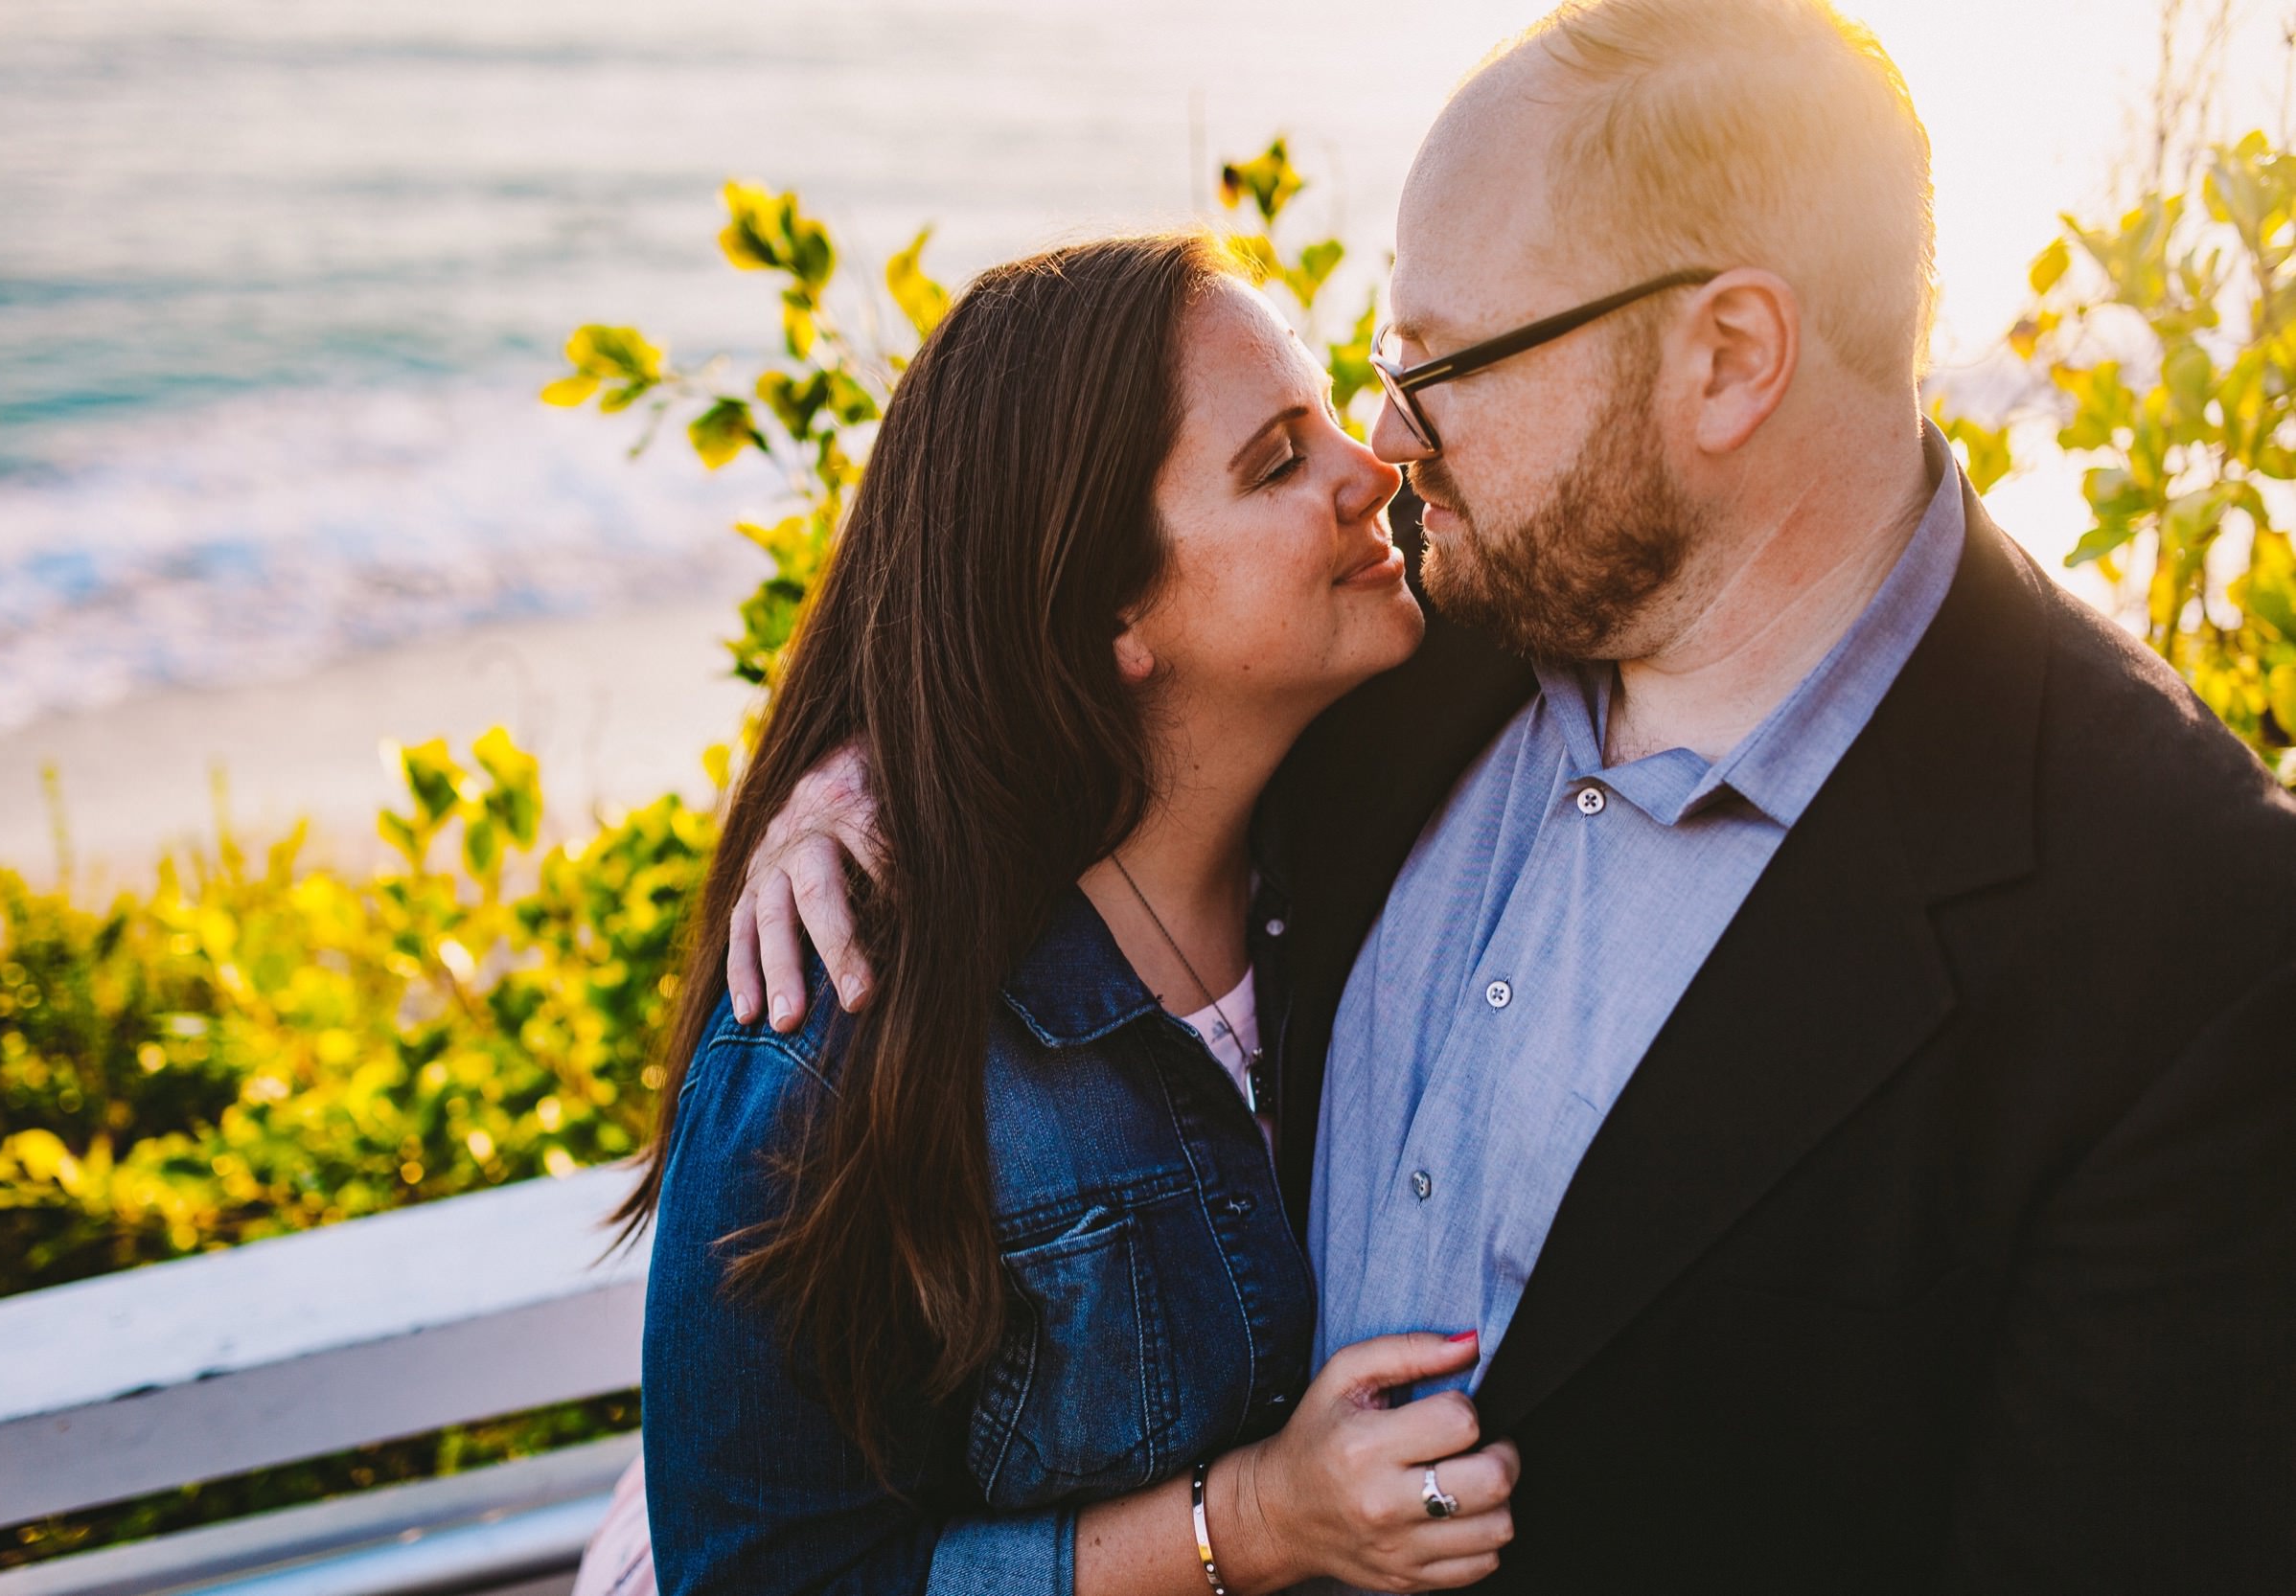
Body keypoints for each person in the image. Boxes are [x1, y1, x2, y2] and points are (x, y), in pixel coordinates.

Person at [726, 2, 2296, 1590]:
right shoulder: (1407, 628)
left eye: (1445, 365)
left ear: (1729, 358)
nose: (1386, 442)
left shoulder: (2182, 934)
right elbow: (1087, 639)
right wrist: (878, 781)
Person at [625, 232, 1526, 1596]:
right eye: (1279, 462)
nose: (1374, 467)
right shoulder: (840, 1021)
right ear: (1110, 613)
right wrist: (1254, 1523)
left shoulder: (1378, 797)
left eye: (1333, 413)